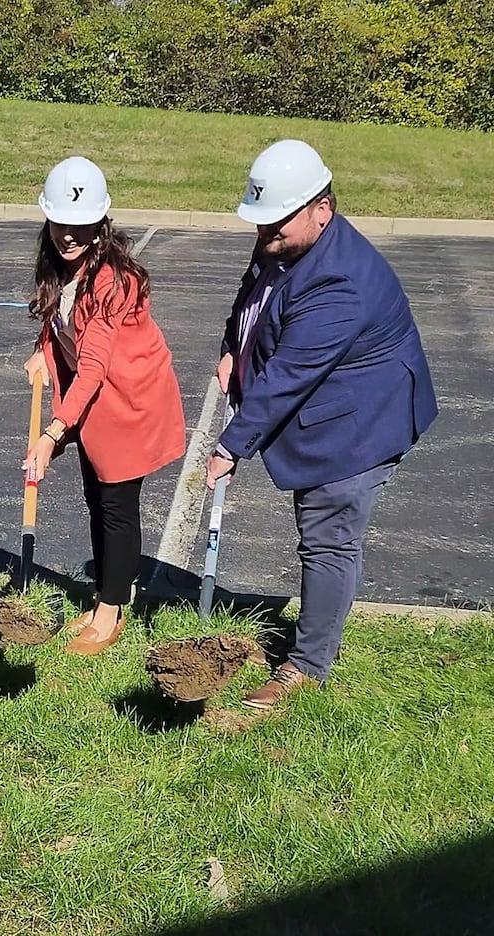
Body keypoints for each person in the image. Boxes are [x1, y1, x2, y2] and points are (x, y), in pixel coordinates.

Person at [207, 139, 436, 709]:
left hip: (359, 421)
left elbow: (288, 376)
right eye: (259, 223)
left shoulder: (340, 283)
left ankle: (307, 667)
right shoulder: (283, 239)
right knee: (320, 532)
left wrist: (231, 447)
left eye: (276, 224)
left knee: (328, 538)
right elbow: (252, 291)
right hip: (326, 400)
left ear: (322, 209)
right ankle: (310, 641)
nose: (264, 235)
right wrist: (233, 345)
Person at [20, 156, 186, 655]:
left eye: (80, 225)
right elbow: (62, 324)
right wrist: (43, 350)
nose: (67, 234)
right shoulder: (61, 267)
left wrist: (52, 434)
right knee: (98, 500)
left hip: (128, 402)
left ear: (100, 223)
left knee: (116, 506)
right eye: (60, 223)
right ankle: (105, 596)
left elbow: (93, 366)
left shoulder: (112, 280)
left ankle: (111, 613)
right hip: (95, 402)